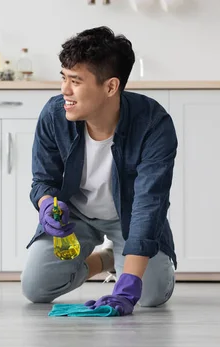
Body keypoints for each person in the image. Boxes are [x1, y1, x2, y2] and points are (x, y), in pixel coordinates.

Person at [21, 26, 177, 316]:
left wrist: (128, 284)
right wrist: (46, 206)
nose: (64, 90)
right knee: (35, 288)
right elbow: (43, 181)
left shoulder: (154, 124)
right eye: (64, 78)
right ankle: (106, 260)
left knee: (151, 295)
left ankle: (117, 257)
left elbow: (149, 205)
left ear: (110, 87)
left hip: (128, 219)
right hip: (75, 216)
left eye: (76, 81)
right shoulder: (54, 115)